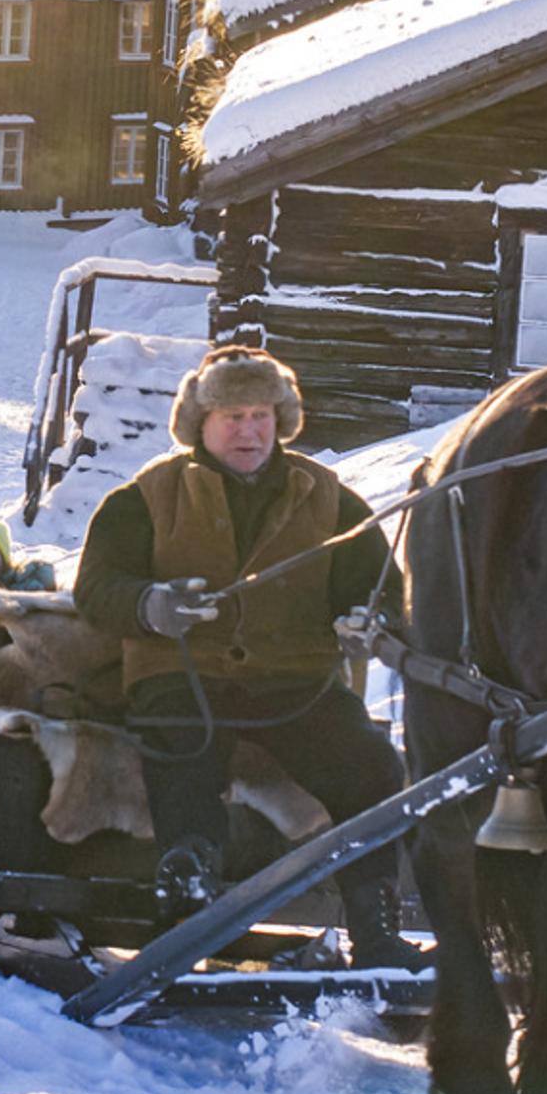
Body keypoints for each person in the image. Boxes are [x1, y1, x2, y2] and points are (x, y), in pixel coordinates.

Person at [74, 348, 421, 966]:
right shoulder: (147, 496)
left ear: (281, 419)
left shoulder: (330, 497)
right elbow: (97, 588)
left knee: (371, 766)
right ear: (198, 424)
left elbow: (378, 586)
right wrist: (150, 605)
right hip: (180, 674)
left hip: (297, 683)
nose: (249, 430)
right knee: (185, 755)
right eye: (232, 415)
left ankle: (376, 930)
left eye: (261, 414)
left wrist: (372, 620)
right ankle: (187, 909)